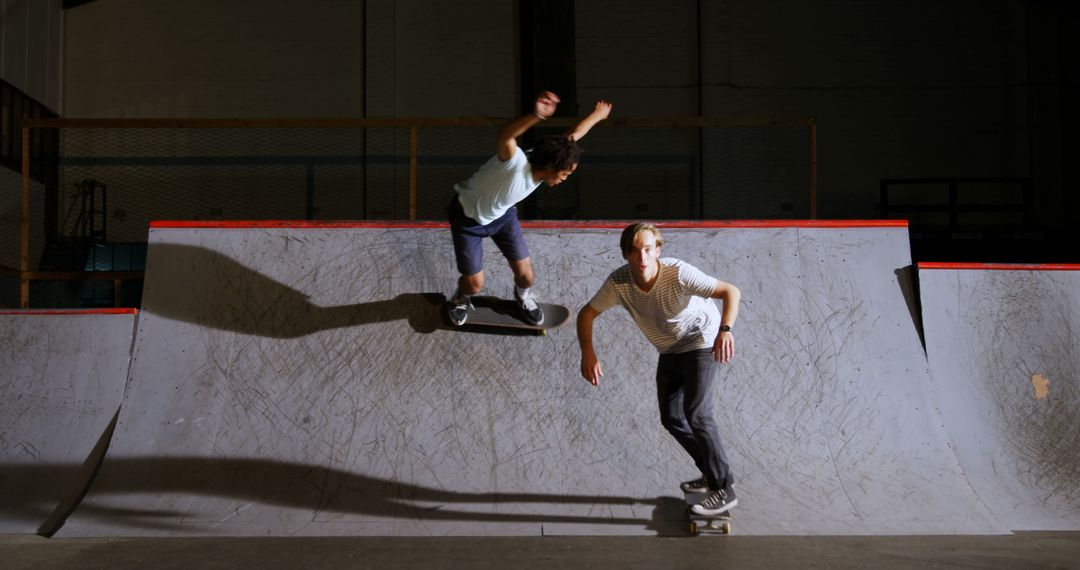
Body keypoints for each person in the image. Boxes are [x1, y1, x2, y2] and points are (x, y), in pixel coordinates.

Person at [576, 223, 742, 517]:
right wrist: (588, 351)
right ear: (626, 254)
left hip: (701, 341)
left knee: (698, 414)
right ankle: (711, 472)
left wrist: (725, 330)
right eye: (636, 251)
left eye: (648, 250)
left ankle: (723, 489)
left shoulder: (678, 273)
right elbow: (586, 314)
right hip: (669, 350)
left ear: (658, 250)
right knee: (672, 418)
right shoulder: (619, 283)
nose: (642, 258)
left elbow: (730, 291)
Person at [448, 91, 612, 326]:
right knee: (474, 284)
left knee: (527, 276)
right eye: (564, 174)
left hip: (503, 216)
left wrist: (597, 116)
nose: (565, 178)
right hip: (468, 218)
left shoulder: (549, 156)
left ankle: (522, 297)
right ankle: (460, 298)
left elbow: (574, 136)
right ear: (550, 167)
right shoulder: (515, 164)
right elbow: (506, 136)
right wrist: (536, 115)